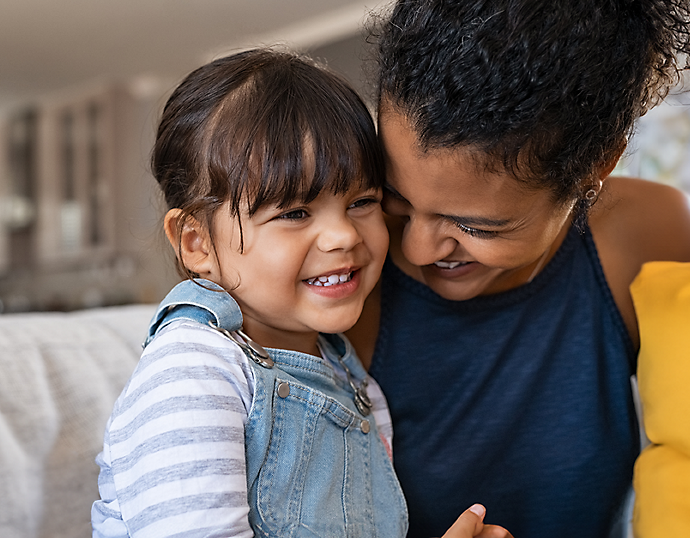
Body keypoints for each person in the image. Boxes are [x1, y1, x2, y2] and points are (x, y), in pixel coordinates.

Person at [345, 0, 690, 537]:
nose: (417, 249)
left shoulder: (644, 238)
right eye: (395, 200)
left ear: (596, 169)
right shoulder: (345, 286)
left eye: (476, 226)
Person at [91, 49, 512, 538]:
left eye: (362, 202)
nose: (343, 236)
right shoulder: (195, 374)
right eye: (294, 213)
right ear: (197, 242)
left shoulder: (348, 376)